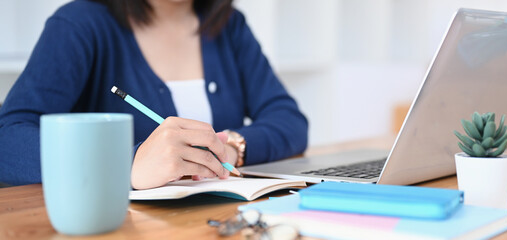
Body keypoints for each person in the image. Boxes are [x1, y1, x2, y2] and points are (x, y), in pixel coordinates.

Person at [0, 0, 308, 189]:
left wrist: (232, 148)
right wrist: (125, 164)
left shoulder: (229, 27)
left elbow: (289, 120)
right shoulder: (78, 24)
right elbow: (8, 141)